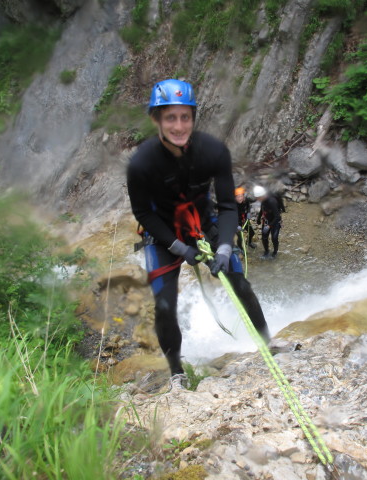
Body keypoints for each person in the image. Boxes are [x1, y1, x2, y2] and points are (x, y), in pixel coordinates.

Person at [126, 79, 271, 389]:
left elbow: (229, 206)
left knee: (239, 283)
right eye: (170, 117)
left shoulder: (213, 152)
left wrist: (222, 250)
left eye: (185, 117)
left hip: (204, 227)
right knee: (164, 305)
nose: (179, 126)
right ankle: (176, 371)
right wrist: (178, 247)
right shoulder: (141, 163)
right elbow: (144, 214)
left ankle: (267, 345)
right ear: (157, 120)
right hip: (163, 236)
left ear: (193, 117)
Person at [254, 185, 282, 259]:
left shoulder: (272, 201)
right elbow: (262, 209)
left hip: (275, 221)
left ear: (261, 195)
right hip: (266, 220)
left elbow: (278, 216)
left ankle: (275, 252)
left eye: (257, 198)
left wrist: (269, 225)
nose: (257, 199)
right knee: (264, 237)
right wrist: (259, 218)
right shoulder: (263, 200)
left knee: (274, 238)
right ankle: (266, 251)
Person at [235, 186, 256, 251]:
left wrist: (249, 213)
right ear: (235, 197)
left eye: (241, 196)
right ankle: (240, 248)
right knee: (240, 237)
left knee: (252, 233)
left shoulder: (246, 201)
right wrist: (236, 226)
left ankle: (249, 242)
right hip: (236, 222)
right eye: (238, 197)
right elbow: (231, 217)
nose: (240, 198)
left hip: (244, 220)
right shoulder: (233, 205)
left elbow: (248, 206)